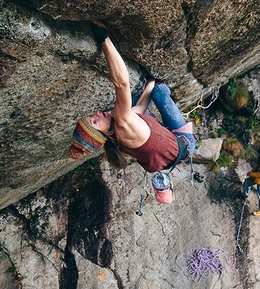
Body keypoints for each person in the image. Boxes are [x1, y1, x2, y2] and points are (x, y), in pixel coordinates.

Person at [69, 21, 196, 202]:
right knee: (159, 91)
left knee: (139, 97)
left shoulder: (116, 140)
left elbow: (141, 108)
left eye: (91, 117)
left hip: (167, 154)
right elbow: (121, 83)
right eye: (94, 122)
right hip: (184, 142)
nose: (96, 114)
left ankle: (152, 95)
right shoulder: (121, 120)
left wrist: (149, 83)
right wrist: (104, 38)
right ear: (101, 134)